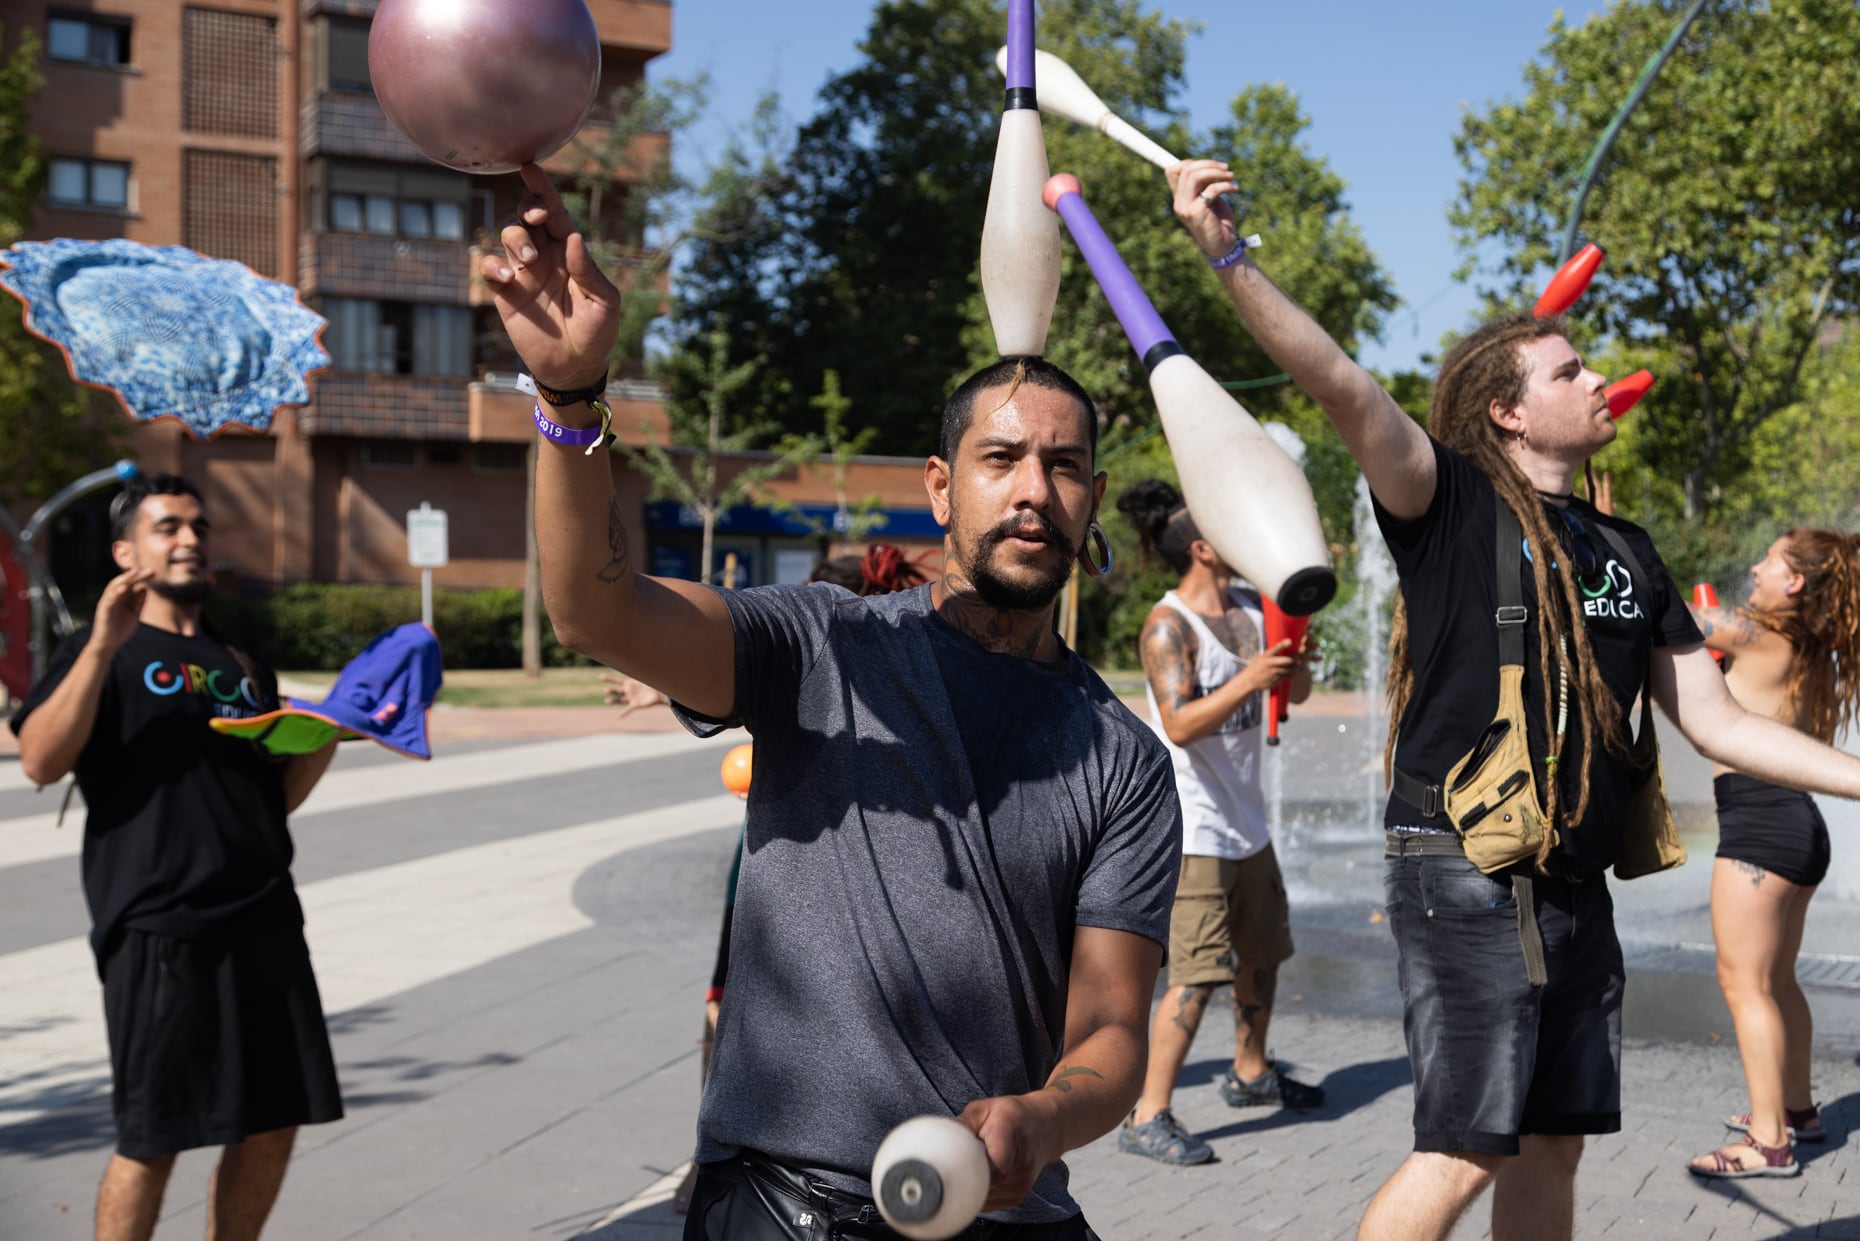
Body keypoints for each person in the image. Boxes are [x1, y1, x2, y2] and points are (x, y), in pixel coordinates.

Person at [1164, 156, 1860, 1241]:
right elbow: (1343, 385)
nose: (1597, 381)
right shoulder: (1446, 500)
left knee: (1553, 1141)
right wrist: (1230, 259)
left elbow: (1717, 722)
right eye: (1571, 370)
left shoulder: (1628, 546)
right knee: (1464, 1146)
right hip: (1465, 865)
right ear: (1509, 411)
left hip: (1576, 878)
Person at [482, 165, 1182, 1238]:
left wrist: (1043, 1118)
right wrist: (571, 401)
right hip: (783, 1201)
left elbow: (1112, 1027)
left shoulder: (1124, 757)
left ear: (1090, 498)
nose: (1035, 488)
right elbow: (596, 608)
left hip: (1005, 1208)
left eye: (1065, 465)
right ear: (943, 489)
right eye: (1001, 458)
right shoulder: (818, 641)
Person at [10, 475, 342, 1241]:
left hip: (264, 917)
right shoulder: (101, 653)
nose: (188, 538)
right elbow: (39, 759)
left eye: (197, 525)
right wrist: (100, 643)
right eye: (167, 527)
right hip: (161, 925)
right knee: (154, 1136)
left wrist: (324, 738)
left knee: (272, 1121)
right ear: (127, 551)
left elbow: (266, 799)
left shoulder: (241, 659)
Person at [1112, 479, 1322, 1166]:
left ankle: (1251, 1072)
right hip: (1193, 829)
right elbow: (1178, 722)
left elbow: (1290, 691)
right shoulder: (1167, 624)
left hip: (1248, 823)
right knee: (1197, 975)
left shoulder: (1251, 609)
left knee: (1261, 956)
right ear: (1202, 547)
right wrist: (1249, 679)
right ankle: (1148, 1113)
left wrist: (1299, 667)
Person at [1684, 530, 1860, 1177]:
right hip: (1801, 826)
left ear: (1794, 583)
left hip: (1759, 825)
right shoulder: (1815, 650)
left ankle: (1768, 1141)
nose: (1754, 565)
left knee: (1744, 982)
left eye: (1770, 558)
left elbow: (1668, 612)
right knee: (1779, 980)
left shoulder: (1757, 633)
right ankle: (1799, 1110)